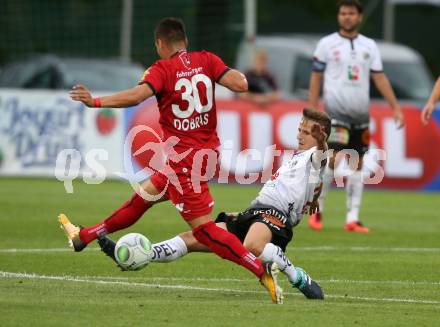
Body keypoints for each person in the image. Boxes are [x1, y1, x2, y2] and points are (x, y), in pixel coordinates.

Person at [61, 17, 283, 304]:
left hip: (186, 161)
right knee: (142, 197)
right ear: (185, 41)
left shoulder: (162, 69)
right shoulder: (207, 59)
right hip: (207, 155)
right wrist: (214, 72)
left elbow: (137, 95)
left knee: (204, 230)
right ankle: (85, 237)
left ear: (160, 44)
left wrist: (97, 102)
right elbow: (240, 84)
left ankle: (260, 270)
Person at [98, 108, 330, 300]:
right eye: (300, 130)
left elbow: (322, 158)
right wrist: (313, 200)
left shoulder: (314, 155)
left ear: (320, 136)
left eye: (307, 133)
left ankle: (298, 276)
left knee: (252, 245)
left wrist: (321, 143)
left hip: (275, 216)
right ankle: (140, 255)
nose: (300, 135)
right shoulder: (300, 158)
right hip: (254, 212)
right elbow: (315, 183)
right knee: (191, 239)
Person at [308, 0, 404, 233]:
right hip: (335, 112)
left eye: (351, 13)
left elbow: (379, 77)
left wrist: (395, 107)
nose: (347, 17)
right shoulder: (326, 44)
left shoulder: (369, 46)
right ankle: (317, 210)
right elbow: (316, 77)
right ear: (339, 16)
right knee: (333, 157)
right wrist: (312, 110)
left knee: (358, 163)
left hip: (360, 115)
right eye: (343, 13)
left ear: (359, 17)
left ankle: (352, 218)